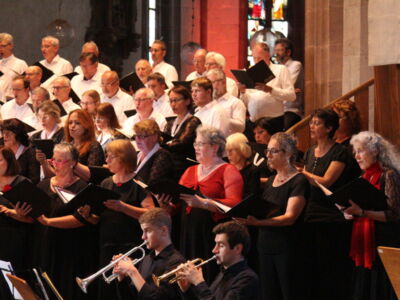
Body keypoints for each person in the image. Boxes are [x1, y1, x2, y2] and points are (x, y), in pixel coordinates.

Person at [236, 132, 309, 300]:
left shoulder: (299, 181)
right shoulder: (270, 181)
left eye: (273, 151)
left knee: (289, 292)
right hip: (265, 245)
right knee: (269, 293)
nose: (267, 155)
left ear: (289, 154)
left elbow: (290, 217)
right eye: (267, 150)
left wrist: (258, 222)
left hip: (287, 246)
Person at [299, 108, 360, 299]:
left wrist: (302, 172)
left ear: (329, 128)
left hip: (332, 216)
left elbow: (326, 181)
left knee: (331, 266)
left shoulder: (340, 152)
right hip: (311, 214)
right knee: (313, 265)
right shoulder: (310, 151)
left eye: (317, 123)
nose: (312, 126)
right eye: (311, 122)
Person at [177, 126, 243, 282]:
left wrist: (204, 203)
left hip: (211, 235)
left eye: (200, 144)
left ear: (215, 147)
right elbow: (177, 204)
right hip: (188, 233)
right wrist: (164, 201)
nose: (196, 148)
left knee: (209, 278)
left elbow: (235, 204)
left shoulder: (228, 170)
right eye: (195, 144)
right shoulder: (190, 170)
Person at [35, 142, 98, 300]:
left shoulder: (82, 188)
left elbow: (80, 219)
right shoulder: (43, 185)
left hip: (70, 250)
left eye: (60, 161)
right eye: (53, 160)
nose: (55, 164)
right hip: (46, 246)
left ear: (72, 163)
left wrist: (49, 222)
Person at [344, 131, 400, 300]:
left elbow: (394, 215)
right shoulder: (364, 177)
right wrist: (350, 212)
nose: (356, 156)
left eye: (360, 151)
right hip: (365, 241)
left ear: (375, 151)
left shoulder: (389, 175)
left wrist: (362, 212)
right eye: (355, 152)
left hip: (385, 241)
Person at [96, 139, 154, 300]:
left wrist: (123, 207)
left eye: (111, 157)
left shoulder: (138, 183)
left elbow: (151, 214)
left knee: (127, 291)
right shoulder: (106, 182)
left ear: (123, 159)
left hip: (130, 244)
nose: (106, 161)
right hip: (107, 244)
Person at [113, 208, 185, 300]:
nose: (143, 237)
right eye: (143, 231)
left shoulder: (176, 261)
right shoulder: (146, 259)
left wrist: (132, 271)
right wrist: (121, 277)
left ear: (163, 230)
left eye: (148, 231)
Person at [178, 221, 261, 300]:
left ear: (237, 249)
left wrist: (199, 282)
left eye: (221, 245)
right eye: (215, 244)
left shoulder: (247, 279)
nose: (214, 250)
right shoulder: (222, 273)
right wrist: (186, 290)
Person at [239, 42, 295, 125]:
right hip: (254, 120)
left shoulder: (280, 69)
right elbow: (247, 102)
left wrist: (270, 90)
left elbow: (291, 96)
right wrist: (242, 92)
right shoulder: (251, 73)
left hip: (273, 119)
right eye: (254, 58)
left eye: (259, 58)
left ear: (268, 55)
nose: (257, 61)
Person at [0, 146, 33, 271]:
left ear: (9, 162)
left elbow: (32, 219)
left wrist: (11, 212)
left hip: (14, 242)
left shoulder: (22, 183)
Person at [163, 85, 201, 179]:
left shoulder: (193, 121)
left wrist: (160, 143)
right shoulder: (170, 123)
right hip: (168, 164)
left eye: (176, 100)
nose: (173, 104)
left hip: (184, 166)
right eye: (171, 101)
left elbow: (182, 143)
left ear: (187, 101)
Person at [274, 38, 304, 129]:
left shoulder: (295, 65)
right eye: (276, 50)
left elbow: (288, 84)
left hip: (291, 109)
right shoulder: (277, 68)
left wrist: (276, 89)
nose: (277, 53)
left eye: (280, 50)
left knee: (283, 131)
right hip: (277, 108)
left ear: (288, 52)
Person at [134, 119, 174, 185]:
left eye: (142, 136)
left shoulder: (163, 156)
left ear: (154, 137)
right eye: (136, 135)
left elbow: (153, 184)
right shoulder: (137, 154)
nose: (137, 139)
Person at [206, 68, 246, 134]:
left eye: (211, 83)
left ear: (223, 82)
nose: (209, 87)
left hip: (227, 141)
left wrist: (223, 119)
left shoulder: (235, 102)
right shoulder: (208, 103)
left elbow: (241, 127)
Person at [1, 118, 40, 184]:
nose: (5, 136)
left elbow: (34, 179)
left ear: (18, 134)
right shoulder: (2, 152)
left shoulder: (30, 153)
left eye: (8, 133)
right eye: (3, 133)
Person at [0, 33, 28, 102]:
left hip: (12, 101)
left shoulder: (20, 64)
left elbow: (27, 85)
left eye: (2, 46)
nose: (0, 49)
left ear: (11, 46)